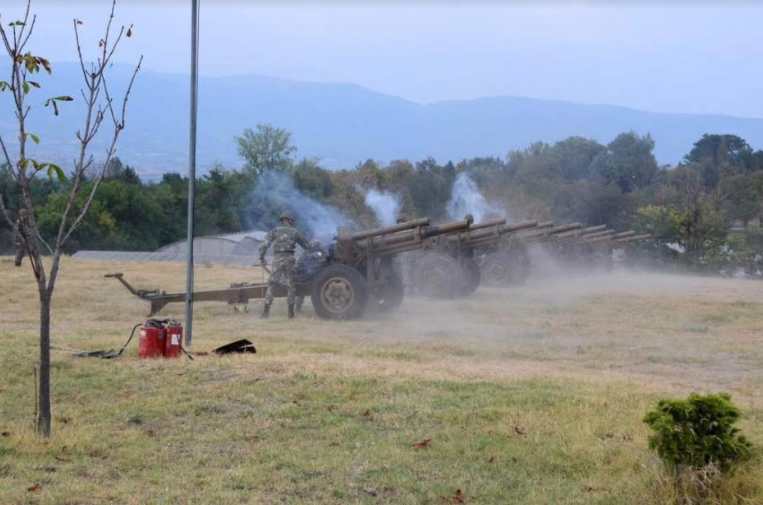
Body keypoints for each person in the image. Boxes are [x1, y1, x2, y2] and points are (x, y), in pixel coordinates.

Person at [258, 210, 310, 319]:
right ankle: (291, 313)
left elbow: (264, 245)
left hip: (277, 259)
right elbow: (306, 246)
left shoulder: (275, 231)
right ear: (289, 220)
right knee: (291, 285)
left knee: (272, 284)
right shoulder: (295, 232)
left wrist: (262, 258)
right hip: (290, 260)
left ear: (282, 219)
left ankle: (266, 312)